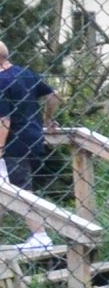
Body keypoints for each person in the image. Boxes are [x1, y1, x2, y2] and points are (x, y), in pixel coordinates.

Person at [0, 43, 53, 195]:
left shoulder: (1, 81)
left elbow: (4, 120)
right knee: (12, 193)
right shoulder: (26, 73)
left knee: (23, 196)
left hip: (13, 146)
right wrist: (48, 119)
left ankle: (33, 219)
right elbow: (53, 96)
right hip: (34, 140)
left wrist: (0, 149)